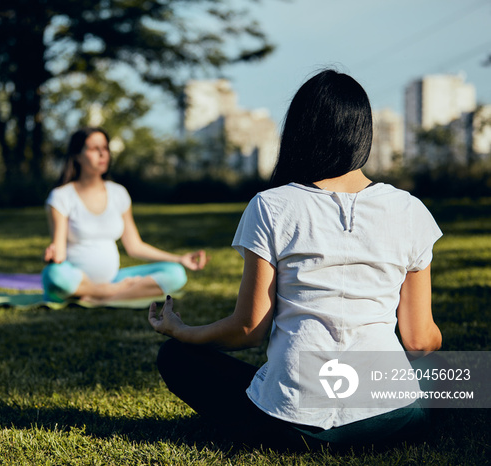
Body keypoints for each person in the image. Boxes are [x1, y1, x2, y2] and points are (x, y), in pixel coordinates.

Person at [148, 69, 443, 449]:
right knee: (453, 371)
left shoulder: (271, 206)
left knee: (176, 357)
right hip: (392, 420)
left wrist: (181, 331)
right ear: (363, 132)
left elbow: (249, 329)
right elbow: (421, 340)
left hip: (289, 425)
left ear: (300, 131)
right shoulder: (409, 210)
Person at [42, 127, 208, 304]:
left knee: (176, 273)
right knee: (54, 276)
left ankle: (99, 297)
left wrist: (179, 259)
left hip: (115, 277)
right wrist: (53, 257)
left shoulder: (118, 193)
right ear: (77, 155)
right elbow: (58, 250)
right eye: (94, 149)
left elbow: (134, 246)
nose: (102, 154)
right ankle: (114, 292)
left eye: (105, 148)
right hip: (76, 278)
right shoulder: (61, 197)